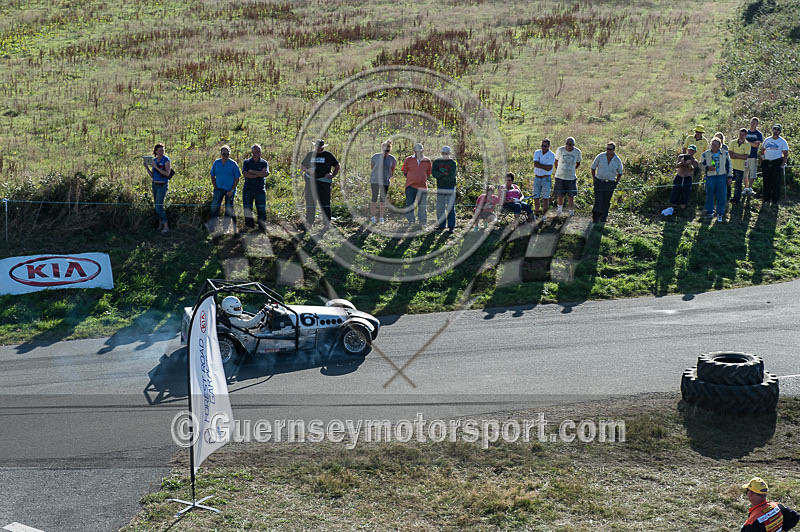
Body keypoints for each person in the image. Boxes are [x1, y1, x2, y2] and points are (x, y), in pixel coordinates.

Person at [301, 139, 339, 231]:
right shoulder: (310, 155)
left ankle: (326, 224)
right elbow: (302, 165)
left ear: (323, 147)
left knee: (325, 203)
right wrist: (307, 171)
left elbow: (337, 165)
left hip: (324, 183)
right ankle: (309, 223)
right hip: (311, 183)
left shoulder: (328, 155)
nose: (319, 149)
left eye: (321, 147)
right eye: (318, 147)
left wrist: (332, 175)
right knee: (310, 203)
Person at [590, 142, 623, 223]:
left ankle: (603, 218)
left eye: (610, 149)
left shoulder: (617, 160)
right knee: (598, 200)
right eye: (607, 148)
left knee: (606, 201)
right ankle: (595, 218)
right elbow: (593, 167)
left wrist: (616, 183)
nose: (608, 150)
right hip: (599, 182)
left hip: (610, 183)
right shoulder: (600, 156)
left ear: (614, 150)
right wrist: (594, 179)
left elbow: (620, 172)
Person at [210, 145, 241, 232]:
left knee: (228, 209)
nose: (226, 156)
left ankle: (226, 228)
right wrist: (215, 186)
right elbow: (212, 175)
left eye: (227, 154)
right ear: (221, 154)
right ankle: (213, 227)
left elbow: (237, 178)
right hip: (218, 189)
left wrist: (232, 190)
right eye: (224, 154)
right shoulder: (216, 163)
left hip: (229, 190)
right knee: (214, 208)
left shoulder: (233, 164)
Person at [700, 138, 732, 222]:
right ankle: (709, 212)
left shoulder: (725, 153)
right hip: (710, 177)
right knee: (709, 194)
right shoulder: (705, 154)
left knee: (722, 195)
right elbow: (700, 165)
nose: (713, 146)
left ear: (719, 146)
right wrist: (707, 168)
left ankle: (720, 213)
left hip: (722, 176)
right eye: (712, 144)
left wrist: (730, 177)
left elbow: (729, 165)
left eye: (715, 144)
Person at [401, 143, 432, 228]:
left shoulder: (427, 160)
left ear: (423, 150)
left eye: (420, 151)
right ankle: (411, 221)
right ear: (414, 151)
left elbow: (428, 173)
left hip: (422, 186)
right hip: (410, 186)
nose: (419, 152)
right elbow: (404, 171)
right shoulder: (408, 159)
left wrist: (420, 178)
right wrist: (412, 178)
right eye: (417, 151)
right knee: (409, 204)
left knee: (422, 205)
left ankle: (422, 222)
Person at [241, 144, 269, 231]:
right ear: (252, 152)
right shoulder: (246, 162)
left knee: (261, 209)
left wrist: (252, 171)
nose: (258, 153)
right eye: (256, 151)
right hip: (248, 189)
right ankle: (249, 227)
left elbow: (265, 174)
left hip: (260, 189)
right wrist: (259, 174)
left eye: (259, 151)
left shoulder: (264, 162)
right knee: (247, 209)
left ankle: (262, 228)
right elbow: (245, 174)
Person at [144, 143, 171, 233]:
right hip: (155, 184)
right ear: (155, 151)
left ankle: (166, 226)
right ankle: (160, 225)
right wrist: (147, 167)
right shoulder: (154, 160)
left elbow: (167, 174)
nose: (161, 152)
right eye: (159, 150)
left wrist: (155, 167)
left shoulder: (166, 160)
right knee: (158, 206)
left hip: (162, 185)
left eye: (162, 150)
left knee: (158, 207)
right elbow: (152, 175)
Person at [760, 124, 789, 205]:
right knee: (766, 181)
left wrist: (782, 164)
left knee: (776, 182)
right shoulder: (767, 140)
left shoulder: (782, 141)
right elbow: (762, 151)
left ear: (780, 131)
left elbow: (785, 154)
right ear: (772, 130)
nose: (776, 131)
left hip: (776, 162)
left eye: (778, 130)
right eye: (775, 129)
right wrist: (762, 161)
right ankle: (766, 198)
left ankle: (775, 200)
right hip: (767, 162)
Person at [553, 137, 582, 216]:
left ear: (573, 145)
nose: (568, 146)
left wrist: (572, 169)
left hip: (571, 177)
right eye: (567, 144)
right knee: (560, 195)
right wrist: (559, 169)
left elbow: (578, 163)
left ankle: (571, 213)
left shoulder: (577, 152)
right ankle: (559, 212)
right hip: (560, 176)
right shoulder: (560, 150)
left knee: (571, 196)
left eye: (570, 144)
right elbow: (556, 161)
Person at [369, 139, 396, 224]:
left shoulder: (392, 159)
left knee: (382, 200)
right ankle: (372, 216)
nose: (386, 151)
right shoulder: (375, 156)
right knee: (374, 198)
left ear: (390, 149)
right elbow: (372, 167)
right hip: (375, 180)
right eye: (385, 149)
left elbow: (392, 170)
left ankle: (381, 217)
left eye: (388, 150)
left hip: (385, 181)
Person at [432, 145, 458, 233]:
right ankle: (441, 225)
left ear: (449, 153)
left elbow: (451, 177)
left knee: (450, 207)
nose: (445, 155)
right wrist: (444, 174)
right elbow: (434, 174)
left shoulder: (452, 163)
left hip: (450, 187)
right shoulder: (436, 162)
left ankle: (451, 227)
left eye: (447, 153)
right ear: (441, 153)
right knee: (440, 207)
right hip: (440, 187)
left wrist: (440, 175)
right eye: (443, 153)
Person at [669, 145, 699, 211]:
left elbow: (693, 170)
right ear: (687, 150)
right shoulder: (680, 156)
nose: (690, 152)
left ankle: (683, 208)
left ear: (695, 152)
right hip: (679, 176)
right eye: (690, 150)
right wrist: (681, 162)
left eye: (692, 151)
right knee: (675, 191)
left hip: (687, 177)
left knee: (686, 193)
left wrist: (689, 164)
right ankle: (674, 207)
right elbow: (676, 166)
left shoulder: (695, 161)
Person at [532, 138, 555, 218]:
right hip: (537, 177)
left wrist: (540, 165)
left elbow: (549, 168)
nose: (543, 147)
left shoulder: (552, 155)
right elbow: (535, 164)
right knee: (536, 197)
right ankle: (536, 214)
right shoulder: (537, 152)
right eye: (542, 145)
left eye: (545, 146)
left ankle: (544, 216)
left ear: (549, 146)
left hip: (546, 178)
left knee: (545, 198)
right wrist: (544, 166)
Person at [729, 128, 751, 204]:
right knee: (728, 182)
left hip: (740, 167)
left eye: (743, 135)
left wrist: (735, 154)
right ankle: (728, 197)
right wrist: (740, 155)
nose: (741, 136)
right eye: (740, 134)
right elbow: (730, 155)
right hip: (731, 166)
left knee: (738, 184)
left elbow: (745, 157)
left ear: (746, 135)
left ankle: (736, 199)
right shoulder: (733, 142)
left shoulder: (747, 145)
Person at [744, 117, 764, 197]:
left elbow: (756, 145)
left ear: (757, 124)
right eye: (752, 122)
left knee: (752, 173)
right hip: (745, 156)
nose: (753, 124)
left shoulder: (758, 134)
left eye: (755, 123)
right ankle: (745, 188)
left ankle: (750, 187)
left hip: (753, 156)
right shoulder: (746, 132)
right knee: (745, 172)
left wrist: (747, 142)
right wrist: (750, 143)